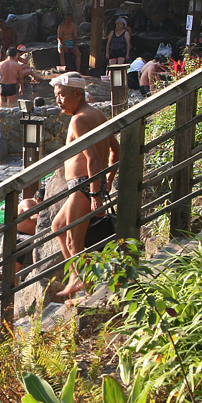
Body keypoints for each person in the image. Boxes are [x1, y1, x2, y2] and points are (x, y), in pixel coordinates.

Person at [50, 72, 120, 300]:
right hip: (87, 185)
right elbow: (116, 151)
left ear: (77, 94)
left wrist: (95, 194)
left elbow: (93, 158)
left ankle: (86, 288)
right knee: (58, 226)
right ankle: (76, 277)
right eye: (56, 96)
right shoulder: (98, 114)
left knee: (74, 241)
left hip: (84, 185)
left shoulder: (79, 120)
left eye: (62, 95)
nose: (58, 101)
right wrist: (107, 182)